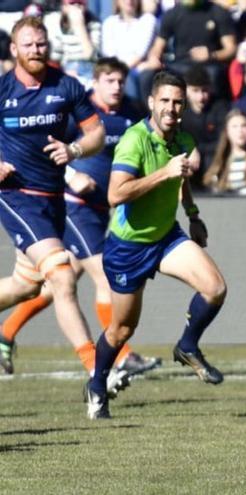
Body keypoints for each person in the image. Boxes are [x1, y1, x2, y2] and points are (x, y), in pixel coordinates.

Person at [0, 58, 160, 379]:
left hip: (101, 210)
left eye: (120, 81)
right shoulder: (77, 110)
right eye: (109, 80)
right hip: (76, 206)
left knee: (38, 285)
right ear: (96, 83)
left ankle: (5, 336)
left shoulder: (130, 114)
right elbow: (49, 142)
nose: (116, 87)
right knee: (101, 276)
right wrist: (72, 173)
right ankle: (119, 357)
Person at [85, 71, 228, 420]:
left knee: (215, 288)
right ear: (151, 102)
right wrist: (164, 172)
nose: (171, 108)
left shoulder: (181, 139)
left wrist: (193, 215)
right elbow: (115, 194)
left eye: (177, 102)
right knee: (121, 329)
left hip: (166, 236)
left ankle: (187, 345)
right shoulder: (134, 140)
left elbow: (181, 180)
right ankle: (97, 383)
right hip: (128, 248)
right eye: (164, 100)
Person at [0, 17, 107, 385]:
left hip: (53, 199)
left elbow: (96, 133)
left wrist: (74, 149)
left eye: (41, 44)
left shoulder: (66, 86)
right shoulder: (2, 91)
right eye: (28, 44)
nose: (36, 50)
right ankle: (96, 370)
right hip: (16, 195)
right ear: (14, 50)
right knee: (62, 276)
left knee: (26, 285)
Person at [203, 108, 246, 195]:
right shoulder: (219, 163)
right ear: (227, 131)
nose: (240, 131)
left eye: (244, 126)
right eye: (234, 126)